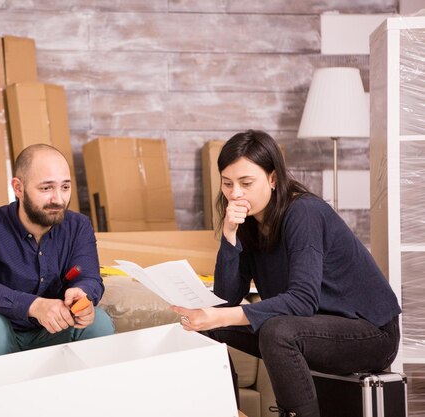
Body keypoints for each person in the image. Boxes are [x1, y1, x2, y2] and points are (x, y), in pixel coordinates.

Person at [171, 130, 401, 417]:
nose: (235, 194)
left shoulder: (303, 212)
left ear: (273, 179)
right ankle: (229, 412)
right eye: (227, 183)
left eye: (246, 183)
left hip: (370, 332)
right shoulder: (247, 221)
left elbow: (302, 301)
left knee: (278, 332)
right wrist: (229, 236)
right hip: (311, 326)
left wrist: (220, 314)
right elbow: (226, 299)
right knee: (202, 326)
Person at [0, 143, 115, 363]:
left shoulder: (78, 226)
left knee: (99, 322)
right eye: (46, 188)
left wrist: (82, 293)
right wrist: (35, 306)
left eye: (65, 187)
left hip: (53, 333)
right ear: (18, 188)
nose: (58, 199)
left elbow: (90, 277)